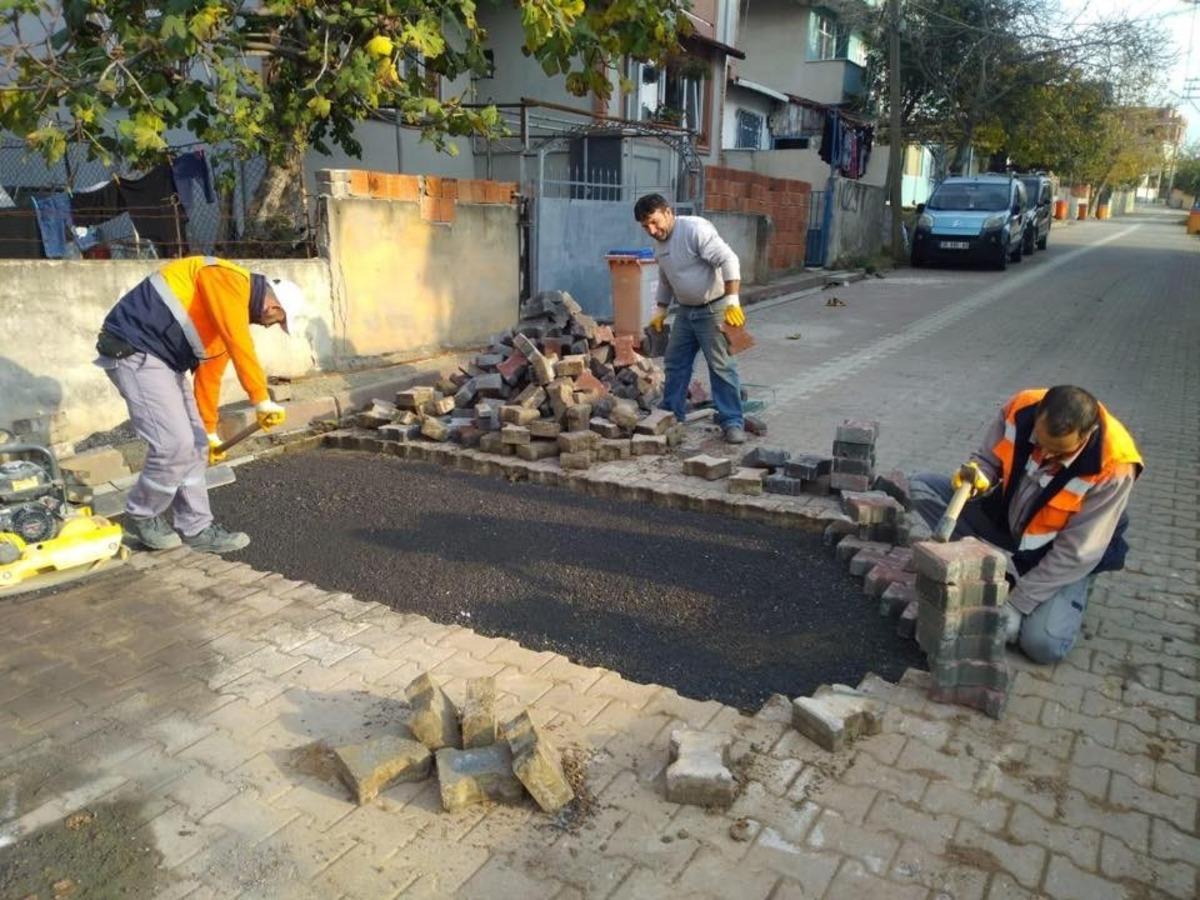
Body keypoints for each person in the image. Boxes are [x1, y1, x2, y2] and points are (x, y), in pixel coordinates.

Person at [911, 386, 1143, 664]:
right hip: (1011, 522)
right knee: (923, 486)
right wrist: (979, 476)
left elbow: (1077, 552)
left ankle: (1065, 586)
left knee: (1042, 645)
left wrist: (1017, 604)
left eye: (1058, 451)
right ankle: (994, 567)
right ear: (1038, 416)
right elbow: (988, 459)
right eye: (1040, 442)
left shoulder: (1114, 466)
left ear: (1086, 435)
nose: (1044, 453)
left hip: (1061, 553)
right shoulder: (1021, 408)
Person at [95, 255, 304, 553]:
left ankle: (197, 528)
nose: (272, 326)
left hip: (164, 362)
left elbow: (209, 380)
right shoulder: (228, 279)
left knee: (195, 445)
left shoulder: (225, 318)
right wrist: (261, 398)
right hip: (134, 349)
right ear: (273, 308)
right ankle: (141, 514)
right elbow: (240, 344)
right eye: (279, 322)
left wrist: (210, 433)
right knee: (174, 445)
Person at [634, 193, 747, 444]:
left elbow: (729, 259)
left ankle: (731, 421)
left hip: (714, 309)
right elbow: (666, 279)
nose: (651, 230)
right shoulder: (659, 245)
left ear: (668, 212)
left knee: (721, 366)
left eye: (654, 222)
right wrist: (660, 309)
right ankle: (671, 413)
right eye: (645, 226)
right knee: (675, 363)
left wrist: (732, 299)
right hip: (685, 313)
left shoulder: (694, 230)